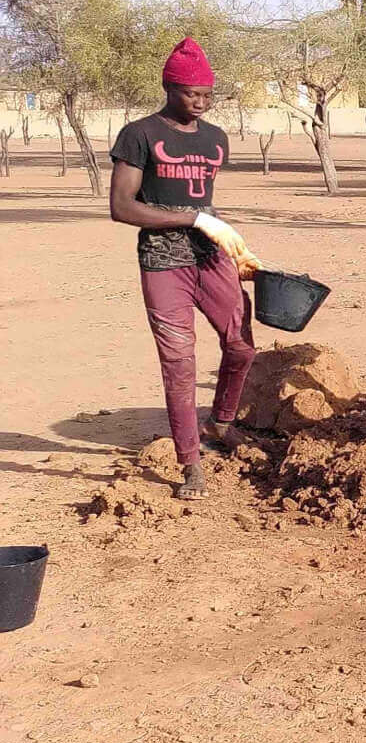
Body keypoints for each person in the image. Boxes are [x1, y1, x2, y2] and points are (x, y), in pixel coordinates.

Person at [109, 38, 260, 500]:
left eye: (207, 95)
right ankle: (190, 462)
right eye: (191, 93)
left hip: (212, 255)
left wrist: (229, 241)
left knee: (241, 344)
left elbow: (204, 199)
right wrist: (194, 218)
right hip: (162, 261)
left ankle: (222, 422)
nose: (200, 102)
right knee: (179, 362)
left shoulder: (216, 139)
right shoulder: (139, 133)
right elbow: (121, 207)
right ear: (169, 88)